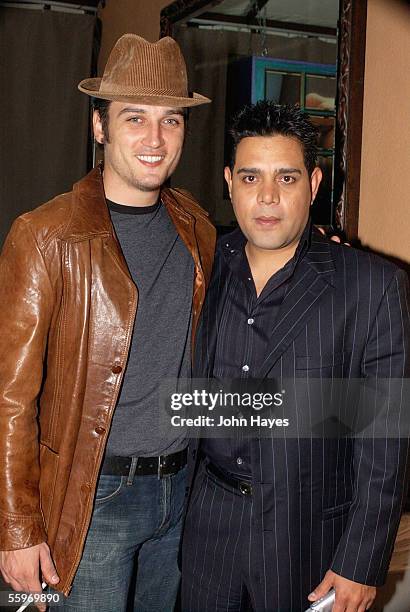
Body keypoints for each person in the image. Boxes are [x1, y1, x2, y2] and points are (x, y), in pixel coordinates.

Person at [0, 33, 215, 612]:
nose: (154, 138)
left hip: (179, 493)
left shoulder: (195, 227)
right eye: (134, 118)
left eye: (170, 120)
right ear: (100, 127)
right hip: (92, 500)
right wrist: (16, 528)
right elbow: (10, 399)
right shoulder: (44, 236)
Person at [181, 101, 410, 612]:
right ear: (228, 181)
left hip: (307, 542)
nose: (267, 197)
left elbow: (385, 440)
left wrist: (360, 560)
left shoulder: (371, 286)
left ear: (313, 183)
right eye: (250, 177)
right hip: (207, 533)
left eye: (286, 178)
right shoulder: (202, 267)